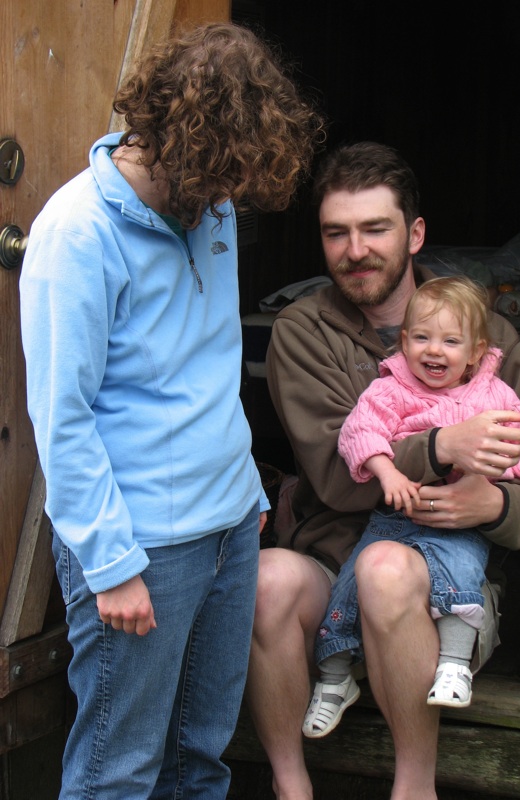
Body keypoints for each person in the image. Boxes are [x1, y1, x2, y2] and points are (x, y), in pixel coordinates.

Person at [19, 23, 324, 800]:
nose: (229, 198)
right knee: (116, 773)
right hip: (141, 544)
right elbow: (63, 417)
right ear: (173, 140)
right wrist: (112, 566)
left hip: (227, 527)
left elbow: (209, 364)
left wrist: (244, 490)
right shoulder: (78, 233)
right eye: (222, 175)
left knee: (201, 760)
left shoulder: (211, 206)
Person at [245, 141, 520, 800]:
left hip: (446, 577)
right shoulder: (304, 332)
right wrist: (444, 445)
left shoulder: (489, 339)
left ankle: (413, 788)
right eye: (337, 232)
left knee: (388, 569)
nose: (354, 249)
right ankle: (289, 784)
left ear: (414, 233)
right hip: (333, 560)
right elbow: (338, 477)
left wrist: (496, 509)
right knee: (265, 579)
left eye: (374, 229)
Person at [303, 275, 520, 738]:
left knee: (462, 577)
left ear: (477, 351)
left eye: (450, 341)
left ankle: (453, 666)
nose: (434, 351)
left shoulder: (491, 393)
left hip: (460, 520)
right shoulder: (392, 388)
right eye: (421, 338)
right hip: (396, 517)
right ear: (404, 342)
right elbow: (359, 433)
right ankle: (333, 678)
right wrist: (387, 473)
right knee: (348, 590)